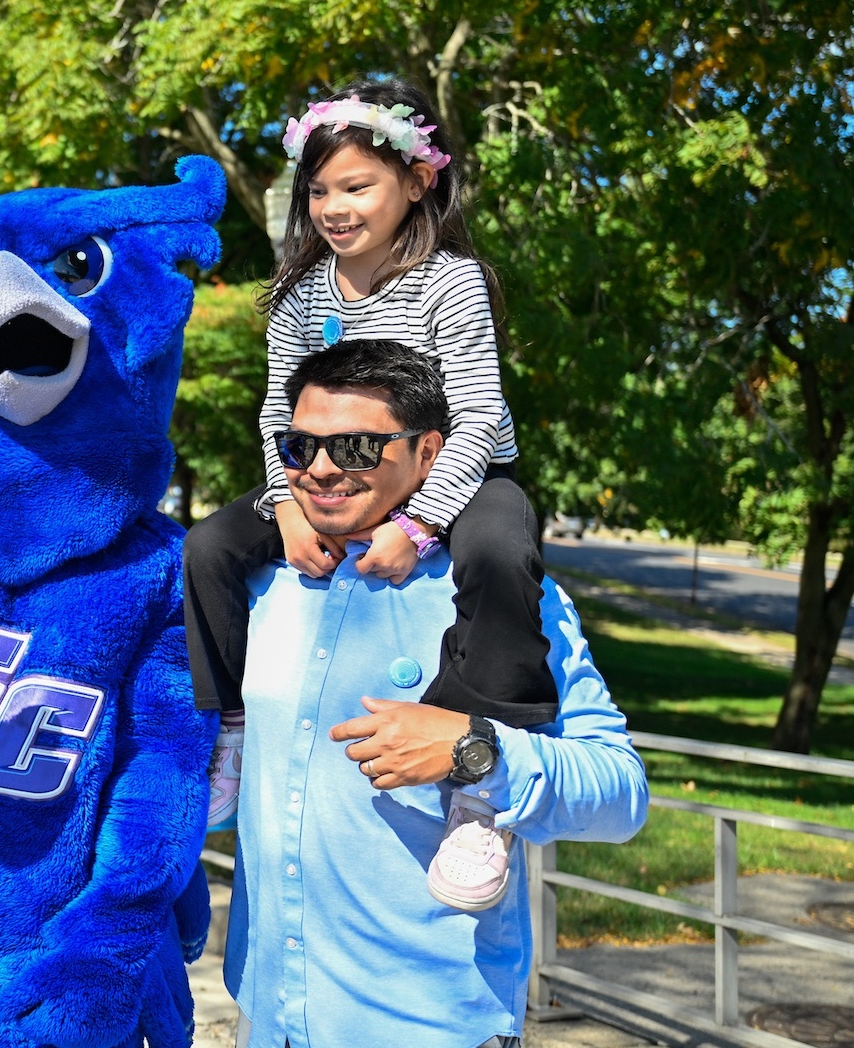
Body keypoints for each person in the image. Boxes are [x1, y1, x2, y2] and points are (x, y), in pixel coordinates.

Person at [184, 76, 559, 910]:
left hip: (456, 472)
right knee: (208, 547)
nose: (334, 206)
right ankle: (232, 733)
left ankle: (477, 789)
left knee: (500, 553)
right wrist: (284, 502)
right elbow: (278, 405)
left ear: (417, 182)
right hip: (324, 473)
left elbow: (478, 411)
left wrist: (423, 524)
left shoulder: (450, 280)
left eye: (357, 185)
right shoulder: (300, 292)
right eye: (318, 189)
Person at [222, 339, 647, 1048]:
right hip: (267, 1015)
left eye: (357, 447)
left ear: (429, 454)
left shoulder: (501, 596)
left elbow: (622, 793)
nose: (322, 469)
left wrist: (474, 749)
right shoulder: (259, 587)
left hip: (431, 1027)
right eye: (300, 447)